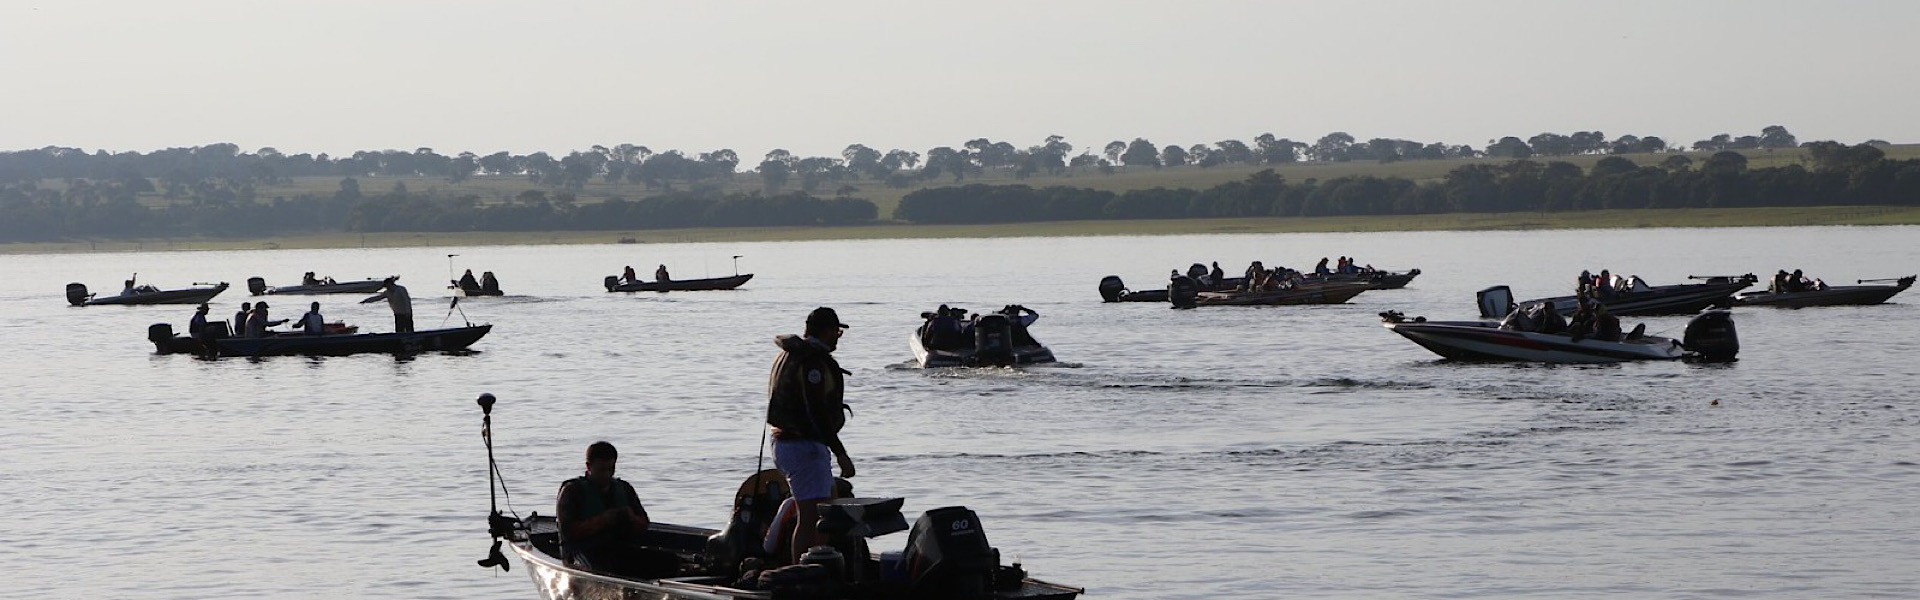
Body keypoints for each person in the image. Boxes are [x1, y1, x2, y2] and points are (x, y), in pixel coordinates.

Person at [765, 307, 855, 564]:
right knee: (813, 518)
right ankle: (802, 574)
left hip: (785, 442)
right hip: (802, 446)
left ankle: (816, 569)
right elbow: (816, 413)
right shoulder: (812, 362)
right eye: (837, 332)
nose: (838, 338)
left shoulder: (788, 355)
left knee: (824, 510)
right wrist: (841, 453)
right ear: (826, 332)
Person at [555, 441, 679, 579]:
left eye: (611, 469)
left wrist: (631, 517)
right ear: (589, 467)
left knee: (670, 561)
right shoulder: (572, 491)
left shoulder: (624, 488)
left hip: (618, 549)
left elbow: (644, 524)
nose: (607, 474)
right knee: (600, 568)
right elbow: (569, 532)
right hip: (581, 551)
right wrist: (604, 520)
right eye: (601, 469)